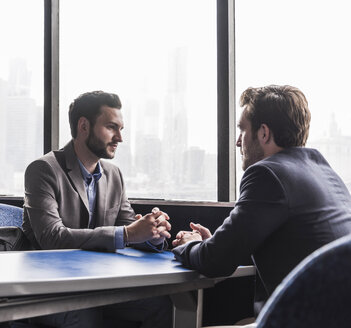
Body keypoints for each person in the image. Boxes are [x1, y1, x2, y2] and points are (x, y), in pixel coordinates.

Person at [172, 85, 351, 320]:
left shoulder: (267, 173)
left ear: (263, 133)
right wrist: (217, 243)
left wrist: (190, 244)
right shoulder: (324, 171)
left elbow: (215, 261)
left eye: (242, 130)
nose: (238, 142)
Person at [23, 91, 172, 328]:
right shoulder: (43, 170)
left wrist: (152, 232)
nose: (120, 138)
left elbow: (129, 227)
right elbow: (52, 237)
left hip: (97, 286)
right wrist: (128, 234)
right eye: (112, 127)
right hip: (50, 292)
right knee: (85, 315)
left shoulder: (114, 175)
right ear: (84, 126)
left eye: (121, 128)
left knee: (159, 304)